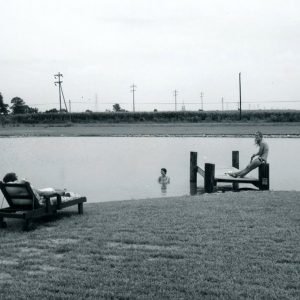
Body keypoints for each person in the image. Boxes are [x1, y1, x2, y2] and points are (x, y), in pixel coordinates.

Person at [2, 172, 67, 201]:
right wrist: (24, 180)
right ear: (14, 179)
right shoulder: (21, 185)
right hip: (36, 198)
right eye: (16, 177)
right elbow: (40, 193)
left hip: (25, 199)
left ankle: (63, 191)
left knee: (50, 189)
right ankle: (63, 192)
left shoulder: (7, 187)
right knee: (52, 191)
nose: (17, 178)